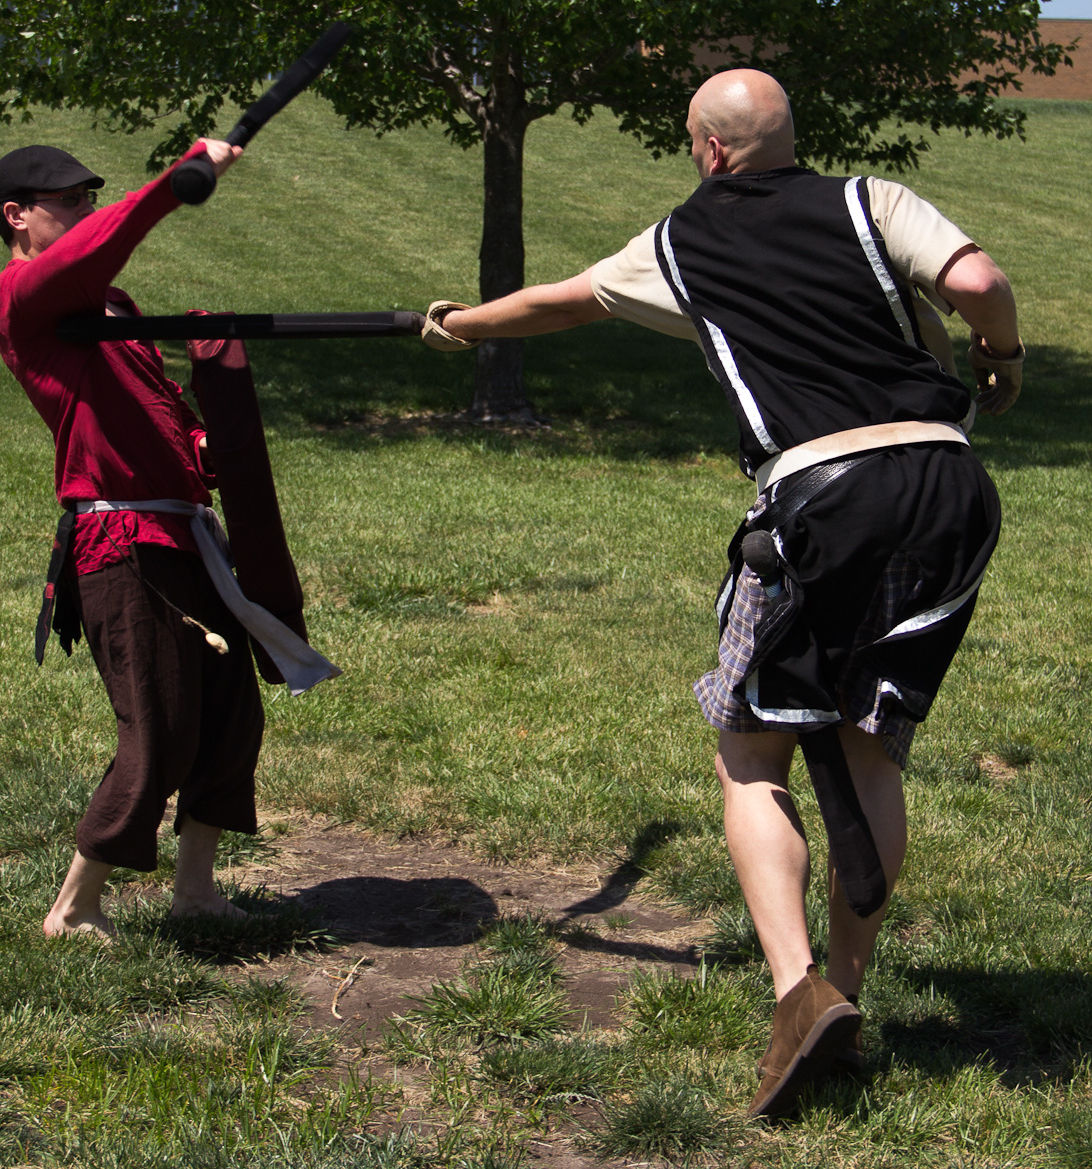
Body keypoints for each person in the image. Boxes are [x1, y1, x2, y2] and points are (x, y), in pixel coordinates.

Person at [421, 70, 1022, 1118]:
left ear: (706, 148)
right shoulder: (870, 200)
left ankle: (798, 992)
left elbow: (560, 301)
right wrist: (1001, 357)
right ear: (787, 134)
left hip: (820, 496)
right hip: (947, 487)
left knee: (750, 752)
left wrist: (462, 325)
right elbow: (976, 279)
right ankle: (847, 988)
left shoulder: (676, 242)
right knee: (870, 748)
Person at [0, 139, 264, 939]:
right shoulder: (20, 295)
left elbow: (154, 401)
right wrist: (184, 176)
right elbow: (101, 243)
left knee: (229, 714)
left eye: (88, 197)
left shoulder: (112, 305)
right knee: (161, 722)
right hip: (122, 538)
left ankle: (196, 891)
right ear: (17, 216)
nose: (84, 210)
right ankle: (74, 907)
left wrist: (206, 445)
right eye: (67, 200)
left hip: (183, 529)